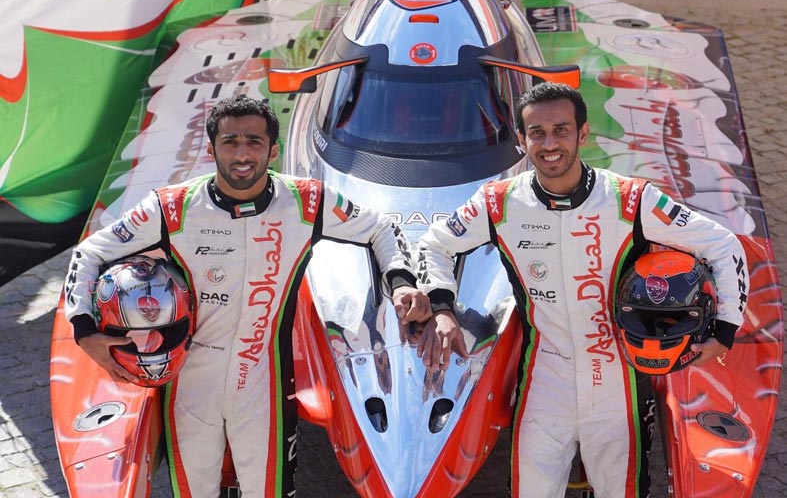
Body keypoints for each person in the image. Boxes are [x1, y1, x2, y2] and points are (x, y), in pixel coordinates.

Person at [63, 94, 431, 498]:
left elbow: (381, 228)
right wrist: (84, 331)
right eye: (230, 142)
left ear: (273, 150)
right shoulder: (172, 207)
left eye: (254, 142)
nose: (242, 154)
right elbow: (89, 252)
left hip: (264, 384)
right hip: (190, 382)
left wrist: (401, 282)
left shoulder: (308, 201)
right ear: (211, 149)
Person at [415, 82, 749, 497]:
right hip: (544, 379)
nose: (549, 144)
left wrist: (724, 329)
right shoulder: (497, 202)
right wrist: (442, 307)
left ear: (583, 133)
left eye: (561, 130)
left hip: (619, 382)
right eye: (536, 133)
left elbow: (723, 244)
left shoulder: (632, 199)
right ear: (521, 140)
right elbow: (434, 244)